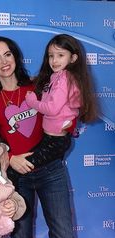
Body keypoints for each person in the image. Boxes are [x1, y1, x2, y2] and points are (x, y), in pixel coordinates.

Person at [0, 36, 81, 238]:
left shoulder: (37, 86)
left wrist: (70, 126)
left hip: (50, 171)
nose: (4, 62)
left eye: (8, 54)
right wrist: (9, 158)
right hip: (16, 177)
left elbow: (64, 113)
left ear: (15, 56)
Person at [25, 34, 97, 167]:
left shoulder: (64, 78)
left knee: (23, 167)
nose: (54, 60)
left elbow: (52, 109)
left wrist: (32, 102)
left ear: (73, 58)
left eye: (60, 55)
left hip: (55, 140)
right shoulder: (58, 76)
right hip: (52, 138)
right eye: (51, 55)